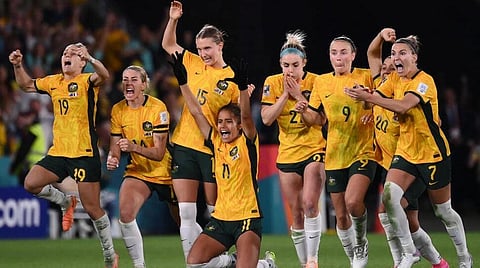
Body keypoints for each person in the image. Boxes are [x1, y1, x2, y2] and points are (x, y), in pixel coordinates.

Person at [344, 35, 472, 268]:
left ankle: (464, 257)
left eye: (402, 53)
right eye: (393, 54)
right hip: (406, 152)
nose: (396, 58)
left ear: (414, 56)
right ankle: (409, 252)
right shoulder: (393, 79)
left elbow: (403, 105)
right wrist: (364, 96)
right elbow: (374, 101)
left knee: (443, 212)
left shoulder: (424, 81)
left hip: (432, 153)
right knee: (389, 198)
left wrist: (368, 97)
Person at [8, 43, 119, 268]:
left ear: (82, 62)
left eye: (73, 54)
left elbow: (104, 75)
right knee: (31, 183)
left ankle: (110, 255)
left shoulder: (87, 81)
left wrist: (91, 58)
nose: (67, 56)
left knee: (93, 209)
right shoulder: (54, 82)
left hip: (84, 153)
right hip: (59, 152)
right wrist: (18, 65)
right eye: (64, 53)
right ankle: (64, 201)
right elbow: (27, 85)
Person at [169, 49, 276, 268]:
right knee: (194, 264)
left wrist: (243, 88)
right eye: (220, 122)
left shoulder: (247, 141)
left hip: (247, 218)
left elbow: (246, 116)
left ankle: (264, 265)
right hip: (221, 219)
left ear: (238, 126)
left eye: (228, 122)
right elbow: (197, 112)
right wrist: (183, 82)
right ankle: (243, 263)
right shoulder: (216, 142)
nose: (223, 126)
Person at [162, 0, 241, 261]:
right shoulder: (193, 63)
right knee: (185, 212)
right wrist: (173, 19)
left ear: (220, 46)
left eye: (208, 48)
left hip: (211, 148)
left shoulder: (232, 80)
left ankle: (227, 260)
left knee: (215, 210)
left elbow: (237, 122)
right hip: (184, 144)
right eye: (199, 48)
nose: (204, 53)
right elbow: (168, 45)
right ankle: (196, 263)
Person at [367, 28, 449, 268]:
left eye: (389, 68)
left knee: (390, 212)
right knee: (408, 222)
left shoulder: (402, 92)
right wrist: (381, 36)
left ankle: (406, 258)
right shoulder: (380, 85)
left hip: (409, 162)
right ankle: (437, 262)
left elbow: (426, 118)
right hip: (388, 162)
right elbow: (373, 54)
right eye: (384, 67)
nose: (385, 70)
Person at [295, 35, 376, 268]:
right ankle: (354, 258)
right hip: (334, 155)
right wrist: (303, 110)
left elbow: (384, 100)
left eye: (343, 52)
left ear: (353, 54)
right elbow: (315, 119)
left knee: (353, 203)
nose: (338, 57)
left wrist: (370, 102)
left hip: (363, 151)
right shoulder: (321, 82)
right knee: (341, 216)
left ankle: (360, 243)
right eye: (333, 53)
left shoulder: (365, 76)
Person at [260, 30, 325, 268]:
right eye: (286, 65)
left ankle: (313, 259)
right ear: (280, 64)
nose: (290, 70)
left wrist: (301, 99)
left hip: (314, 149)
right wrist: (285, 96)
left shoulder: (317, 81)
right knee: (296, 212)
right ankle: (303, 263)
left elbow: (319, 121)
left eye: (295, 65)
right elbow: (266, 119)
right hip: (287, 153)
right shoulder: (272, 83)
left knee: (309, 203)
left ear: (304, 63)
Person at [106, 65, 180, 268]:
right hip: (138, 172)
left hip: (166, 171)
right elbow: (115, 147)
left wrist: (132, 147)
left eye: (134, 79)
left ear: (144, 85)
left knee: (185, 223)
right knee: (126, 215)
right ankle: (140, 266)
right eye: (125, 79)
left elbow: (158, 153)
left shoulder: (157, 108)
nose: (128, 83)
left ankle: (216, 261)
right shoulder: (118, 109)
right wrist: (113, 158)